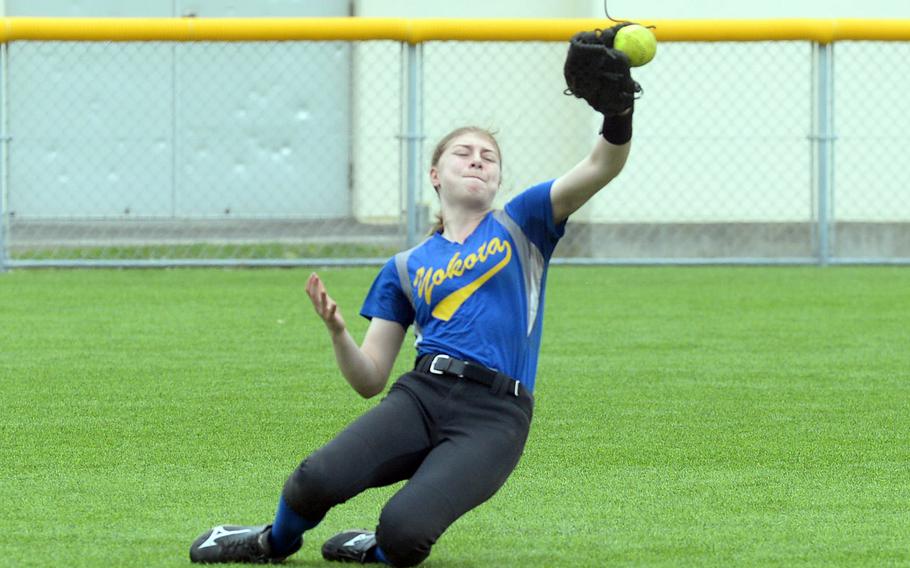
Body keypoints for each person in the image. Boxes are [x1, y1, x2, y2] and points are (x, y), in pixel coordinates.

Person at [189, 25, 639, 567]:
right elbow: (370, 379)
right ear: (435, 174)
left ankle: (373, 548)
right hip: (422, 396)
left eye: (488, 157)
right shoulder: (405, 267)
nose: (478, 160)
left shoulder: (524, 223)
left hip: (494, 416)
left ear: (497, 179)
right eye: (464, 153)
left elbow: (602, 165)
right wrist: (338, 334)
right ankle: (271, 542)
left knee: (405, 534)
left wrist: (617, 112)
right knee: (315, 479)